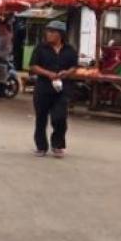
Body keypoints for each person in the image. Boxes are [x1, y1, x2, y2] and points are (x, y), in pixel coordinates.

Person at [30, 20, 79, 158]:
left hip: (62, 89)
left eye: (52, 31)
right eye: (48, 31)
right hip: (43, 87)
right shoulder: (40, 48)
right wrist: (48, 74)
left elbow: (74, 67)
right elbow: (33, 66)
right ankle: (41, 146)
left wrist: (67, 73)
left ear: (60, 34)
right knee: (41, 118)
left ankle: (57, 144)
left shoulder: (70, 50)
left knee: (60, 117)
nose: (49, 34)